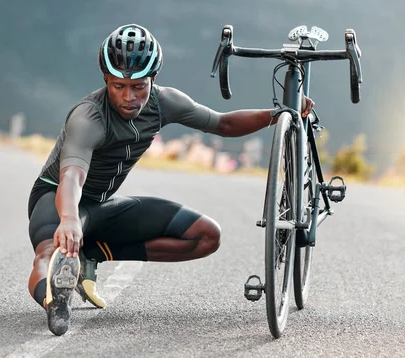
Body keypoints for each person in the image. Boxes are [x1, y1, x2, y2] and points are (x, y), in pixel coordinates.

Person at [26, 23, 314, 336]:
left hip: (100, 208)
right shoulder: (88, 117)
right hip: (56, 201)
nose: (129, 97)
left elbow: (223, 124)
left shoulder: (164, 102)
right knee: (49, 253)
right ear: (106, 80)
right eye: (118, 86)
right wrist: (69, 220)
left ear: (153, 80)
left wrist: (279, 113)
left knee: (206, 236)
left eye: (139, 86)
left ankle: (91, 254)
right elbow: (72, 175)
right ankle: (56, 299)